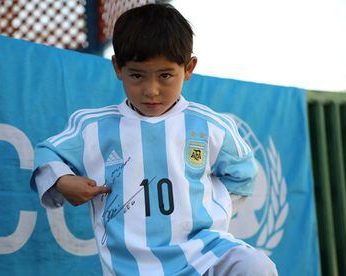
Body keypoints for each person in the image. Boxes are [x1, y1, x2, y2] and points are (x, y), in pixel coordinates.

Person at [30, 3, 278, 276]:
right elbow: (47, 153)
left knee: (256, 266)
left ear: (189, 68)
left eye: (165, 76)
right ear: (117, 67)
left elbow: (243, 173)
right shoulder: (93, 127)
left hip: (204, 254)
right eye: (137, 75)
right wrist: (64, 181)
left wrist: (205, 206)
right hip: (131, 267)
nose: (151, 90)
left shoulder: (210, 126)